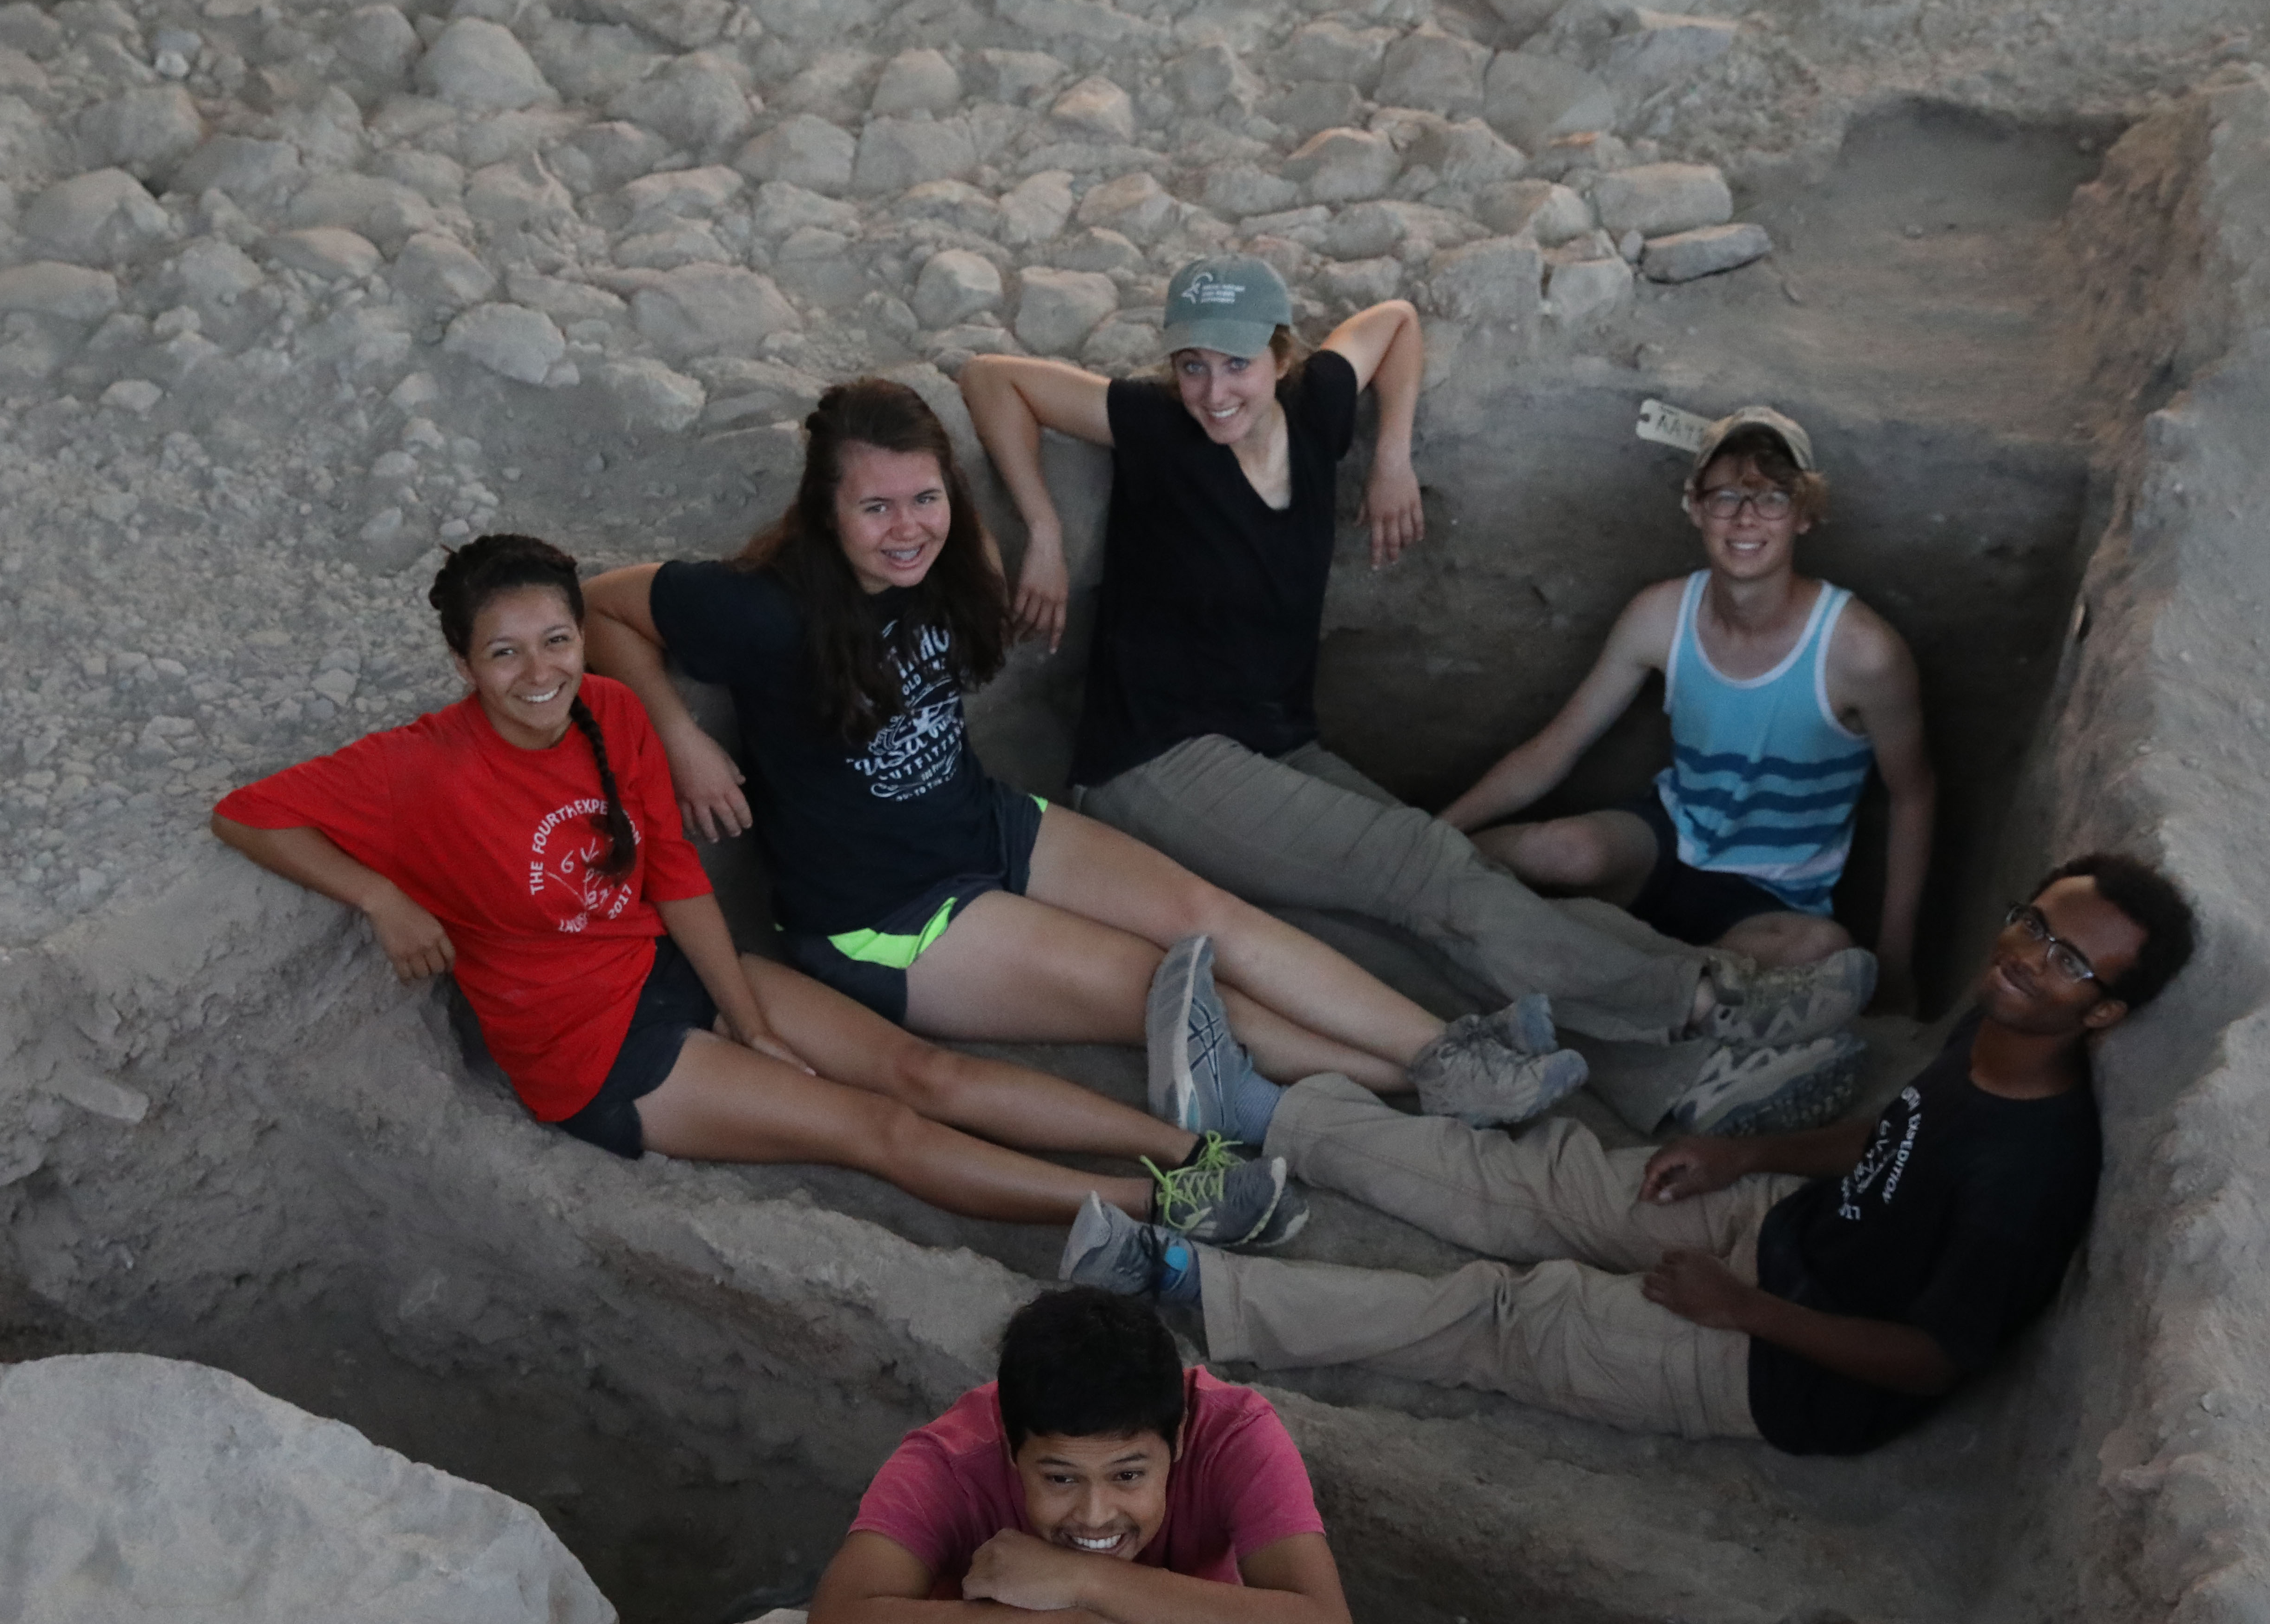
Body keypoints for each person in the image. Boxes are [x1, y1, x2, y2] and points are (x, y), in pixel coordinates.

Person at [958, 257, 1875, 1137]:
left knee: (1427, 927)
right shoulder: (1157, 423)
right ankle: (1713, 998)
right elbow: (994, 379)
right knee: (1425, 867)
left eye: (1235, 363)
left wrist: (1391, 455)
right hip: (1156, 763)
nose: (1213, 390)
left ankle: (1683, 1082)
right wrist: (1043, 529)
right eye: (1191, 365)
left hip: (1273, 743)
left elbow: (1394, 323)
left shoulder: (1317, 404)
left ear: (1281, 356)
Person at [212, 533, 1302, 1245]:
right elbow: (246, 813)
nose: (539, 674)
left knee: (924, 1069)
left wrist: (748, 1016)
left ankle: (1190, 1151)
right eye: (504, 655)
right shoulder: (419, 765)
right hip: (593, 1051)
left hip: (664, 965)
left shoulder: (609, 711)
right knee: (875, 1126)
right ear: (463, 665)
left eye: (556, 641)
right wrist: (380, 897)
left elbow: (675, 872)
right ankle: (1159, 1204)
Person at [577, 375, 1587, 1138]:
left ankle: (1446, 1046)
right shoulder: (760, 610)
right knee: (1167, 986)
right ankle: (1424, 1083)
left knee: (1209, 914)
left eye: (924, 499)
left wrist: (1042, 535)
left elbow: (972, 462)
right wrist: (678, 734)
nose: (906, 530)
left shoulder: (945, 560)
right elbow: (599, 605)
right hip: (887, 919)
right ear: (825, 511)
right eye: (874, 508)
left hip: (981, 822)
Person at [1060, 855, 2199, 1455]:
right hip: (1786, 1229)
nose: (2028, 957)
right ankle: (1263, 1111)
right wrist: (1743, 1152)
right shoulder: (1995, 1028)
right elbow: (1894, 1140)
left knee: (1508, 1316)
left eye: (2069, 962)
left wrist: (1744, 1312)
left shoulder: (2034, 1173)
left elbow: (1932, 1360)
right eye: (2034, 924)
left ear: (2104, 1014)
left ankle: (1190, 1283)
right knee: (1536, 1179)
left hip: (1789, 1369)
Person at [1440, 406, 1938, 999]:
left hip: (1771, 899)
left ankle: (1621, 964)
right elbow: (1555, 748)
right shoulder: (1661, 615)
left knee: (1824, 949)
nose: (1746, 517)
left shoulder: (1862, 652)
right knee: (1564, 849)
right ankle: (1437, 866)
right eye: (1726, 496)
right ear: (1695, 506)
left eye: (1773, 498)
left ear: (1805, 515)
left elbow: (1913, 794)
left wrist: (1897, 961)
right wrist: (1438, 832)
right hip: (1668, 842)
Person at [796, 1286, 1357, 1624]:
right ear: (1010, 1449)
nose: (1095, 1515)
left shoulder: (1234, 1435)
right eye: (1061, 1479)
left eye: (1128, 1476)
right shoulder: (949, 1462)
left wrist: (1086, 1582)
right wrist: (1082, 1614)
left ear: (1180, 1439)